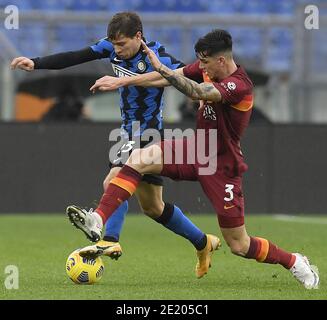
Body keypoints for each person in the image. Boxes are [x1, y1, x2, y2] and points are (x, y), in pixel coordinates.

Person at [66, 29, 319, 289]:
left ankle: (294, 261)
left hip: (222, 164)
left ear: (221, 60)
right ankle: (98, 219)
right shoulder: (208, 67)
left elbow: (199, 92)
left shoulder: (239, 85)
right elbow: (170, 77)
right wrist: (123, 81)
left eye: (206, 62)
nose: (202, 66)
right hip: (196, 148)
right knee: (139, 157)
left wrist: (164, 71)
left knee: (239, 245)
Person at [11, 12, 220, 278]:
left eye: (122, 45)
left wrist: (204, 94)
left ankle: (109, 238)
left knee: (114, 179)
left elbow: (190, 75)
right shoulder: (112, 47)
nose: (117, 51)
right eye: (114, 45)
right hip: (127, 132)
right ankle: (203, 242)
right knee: (153, 207)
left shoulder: (156, 56)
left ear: (138, 37)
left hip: (148, 133)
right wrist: (36, 62)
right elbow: (77, 55)